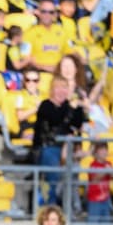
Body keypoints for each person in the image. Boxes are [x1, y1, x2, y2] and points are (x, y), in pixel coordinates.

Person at [32, 74, 86, 205]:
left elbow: (78, 125)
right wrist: (70, 111)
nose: (61, 91)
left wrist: (78, 105)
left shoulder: (71, 107)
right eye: (58, 87)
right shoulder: (46, 106)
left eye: (64, 87)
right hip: (48, 148)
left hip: (68, 150)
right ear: (52, 89)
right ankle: (50, 204)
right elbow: (55, 124)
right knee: (52, 179)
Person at [23, 0, 71, 73]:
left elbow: (69, 53)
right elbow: (25, 59)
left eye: (51, 12)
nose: (47, 15)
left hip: (60, 74)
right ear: (38, 12)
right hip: (39, 75)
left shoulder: (62, 31)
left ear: (55, 14)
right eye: (44, 11)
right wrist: (46, 68)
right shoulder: (29, 33)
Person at [86, 141, 113, 222]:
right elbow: (94, 179)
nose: (105, 151)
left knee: (105, 224)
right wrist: (105, 170)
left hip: (106, 199)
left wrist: (110, 171)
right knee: (93, 224)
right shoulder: (93, 165)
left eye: (106, 149)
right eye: (101, 149)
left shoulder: (108, 163)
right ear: (96, 153)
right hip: (94, 200)